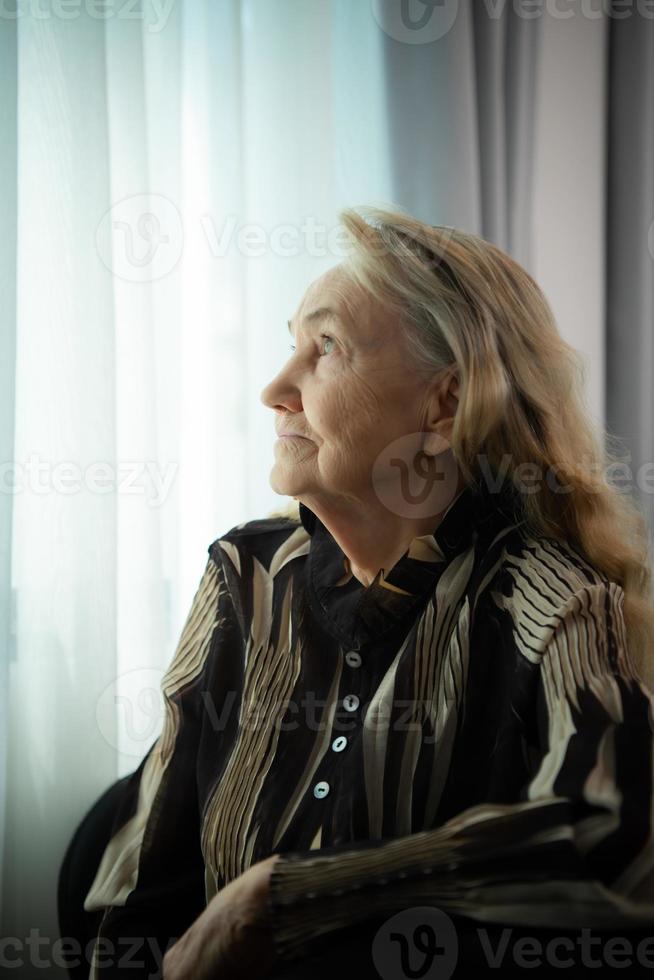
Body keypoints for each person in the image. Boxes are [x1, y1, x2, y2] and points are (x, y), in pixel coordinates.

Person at [64, 204, 654, 979]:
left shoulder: (554, 606)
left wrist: (284, 898)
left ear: (443, 407)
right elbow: (143, 881)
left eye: (326, 347)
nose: (276, 388)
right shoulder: (245, 575)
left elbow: (613, 840)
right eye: (291, 347)